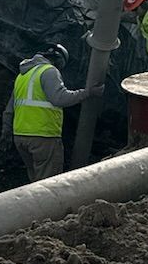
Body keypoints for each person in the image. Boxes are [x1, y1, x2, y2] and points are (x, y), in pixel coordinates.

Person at [6, 42, 90, 180]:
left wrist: (6, 131)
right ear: (58, 59)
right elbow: (59, 98)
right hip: (42, 136)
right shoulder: (49, 71)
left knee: (35, 181)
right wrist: (86, 93)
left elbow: (9, 109)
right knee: (48, 184)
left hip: (20, 136)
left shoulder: (22, 76)